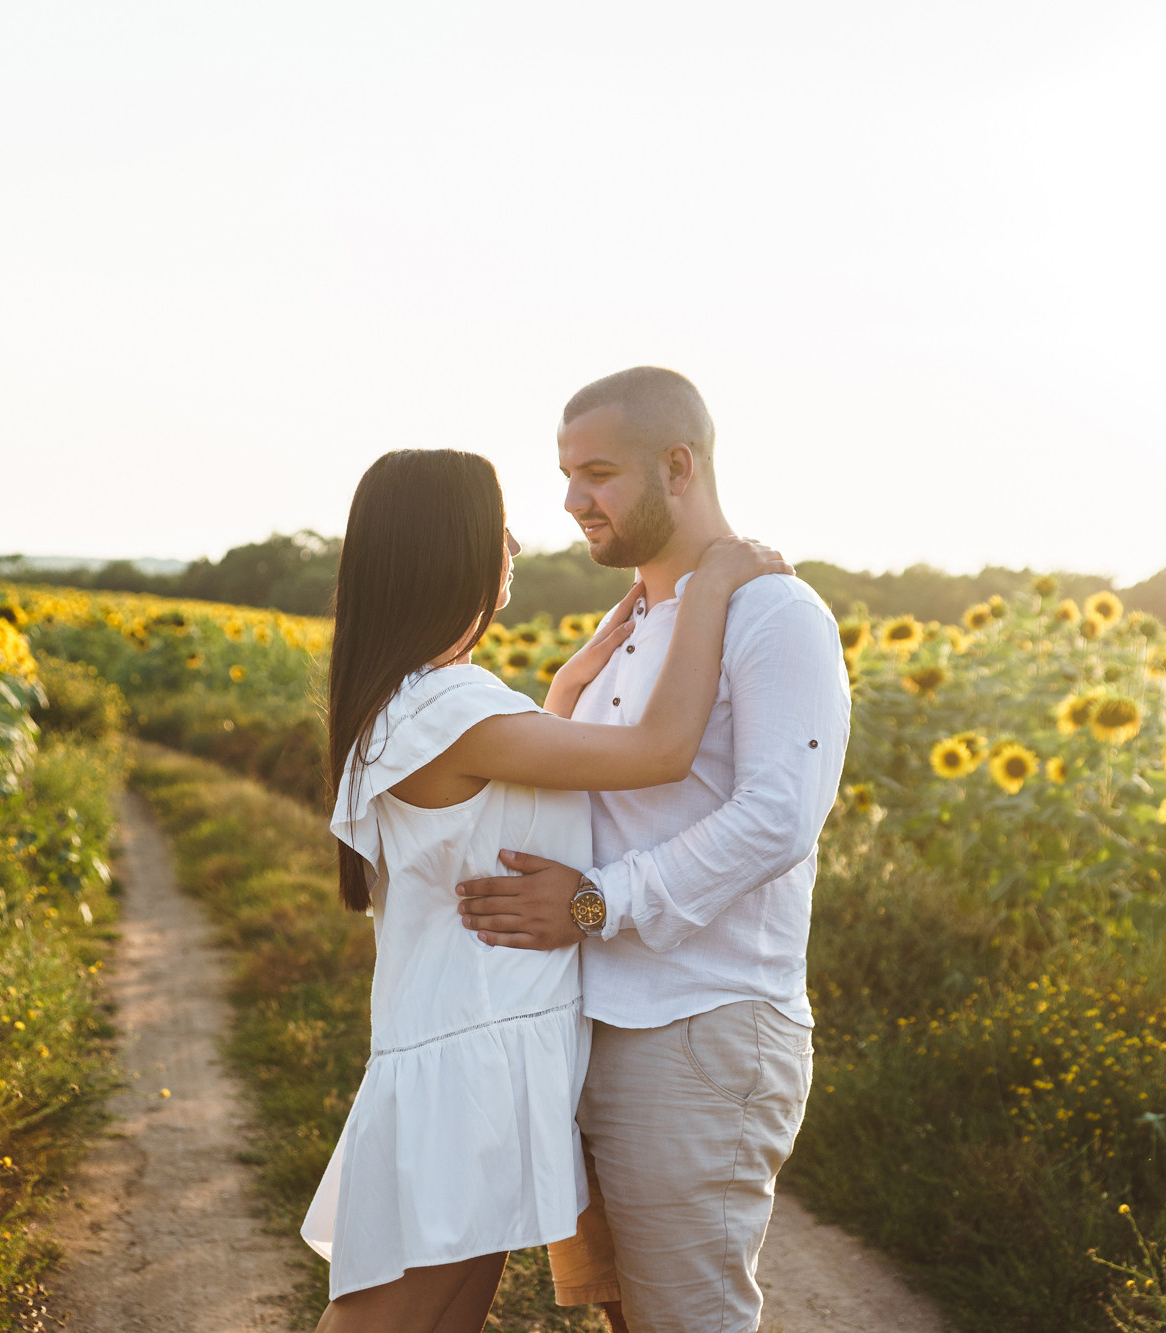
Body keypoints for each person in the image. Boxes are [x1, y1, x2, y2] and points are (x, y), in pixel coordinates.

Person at [302, 446, 791, 1333]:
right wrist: (710, 592)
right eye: (495, 528)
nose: (518, 539)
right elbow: (661, 752)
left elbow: (504, 811)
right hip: (466, 1065)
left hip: (474, 1051)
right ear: (445, 550)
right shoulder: (448, 710)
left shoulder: (423, 703)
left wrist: (564, 688)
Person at [457, 367, 853, 1333]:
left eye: (597, 472)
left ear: (679, 466)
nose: (571, 500)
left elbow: (777, 817)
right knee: (628, 1314)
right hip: (602, 1019)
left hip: (701, 1024)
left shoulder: (774, 614)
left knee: (691, 1320)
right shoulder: (635, 626)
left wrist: (594, 902)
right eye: (564, 473)